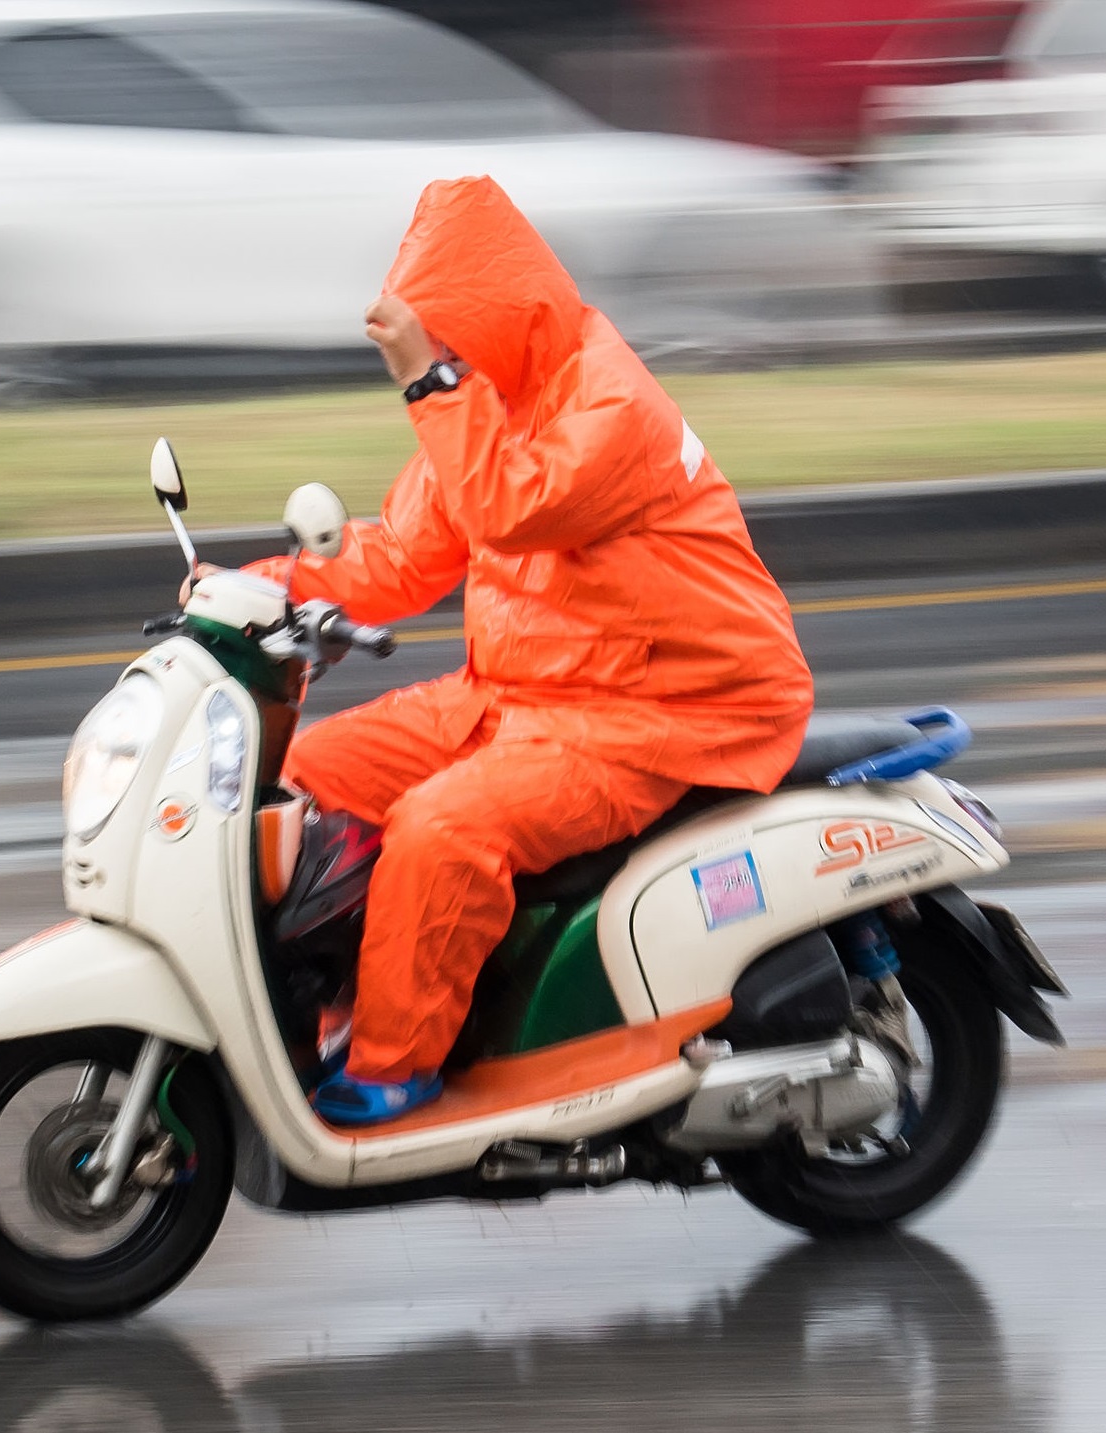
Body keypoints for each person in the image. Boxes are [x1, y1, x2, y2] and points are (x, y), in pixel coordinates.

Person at [246, 176, 814, 1125]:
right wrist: (260, 589)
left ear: (501, 314)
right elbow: (402, 555)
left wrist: (431, 382)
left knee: (442, 828)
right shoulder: (488, 402)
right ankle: (331, 1000)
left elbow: (514, 505)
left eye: (453, 336)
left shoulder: (609, 403)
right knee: (304, 772)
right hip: (519, 697)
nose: (445, 356)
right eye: (438, 343)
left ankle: (396, 1064)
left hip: (656, 715)